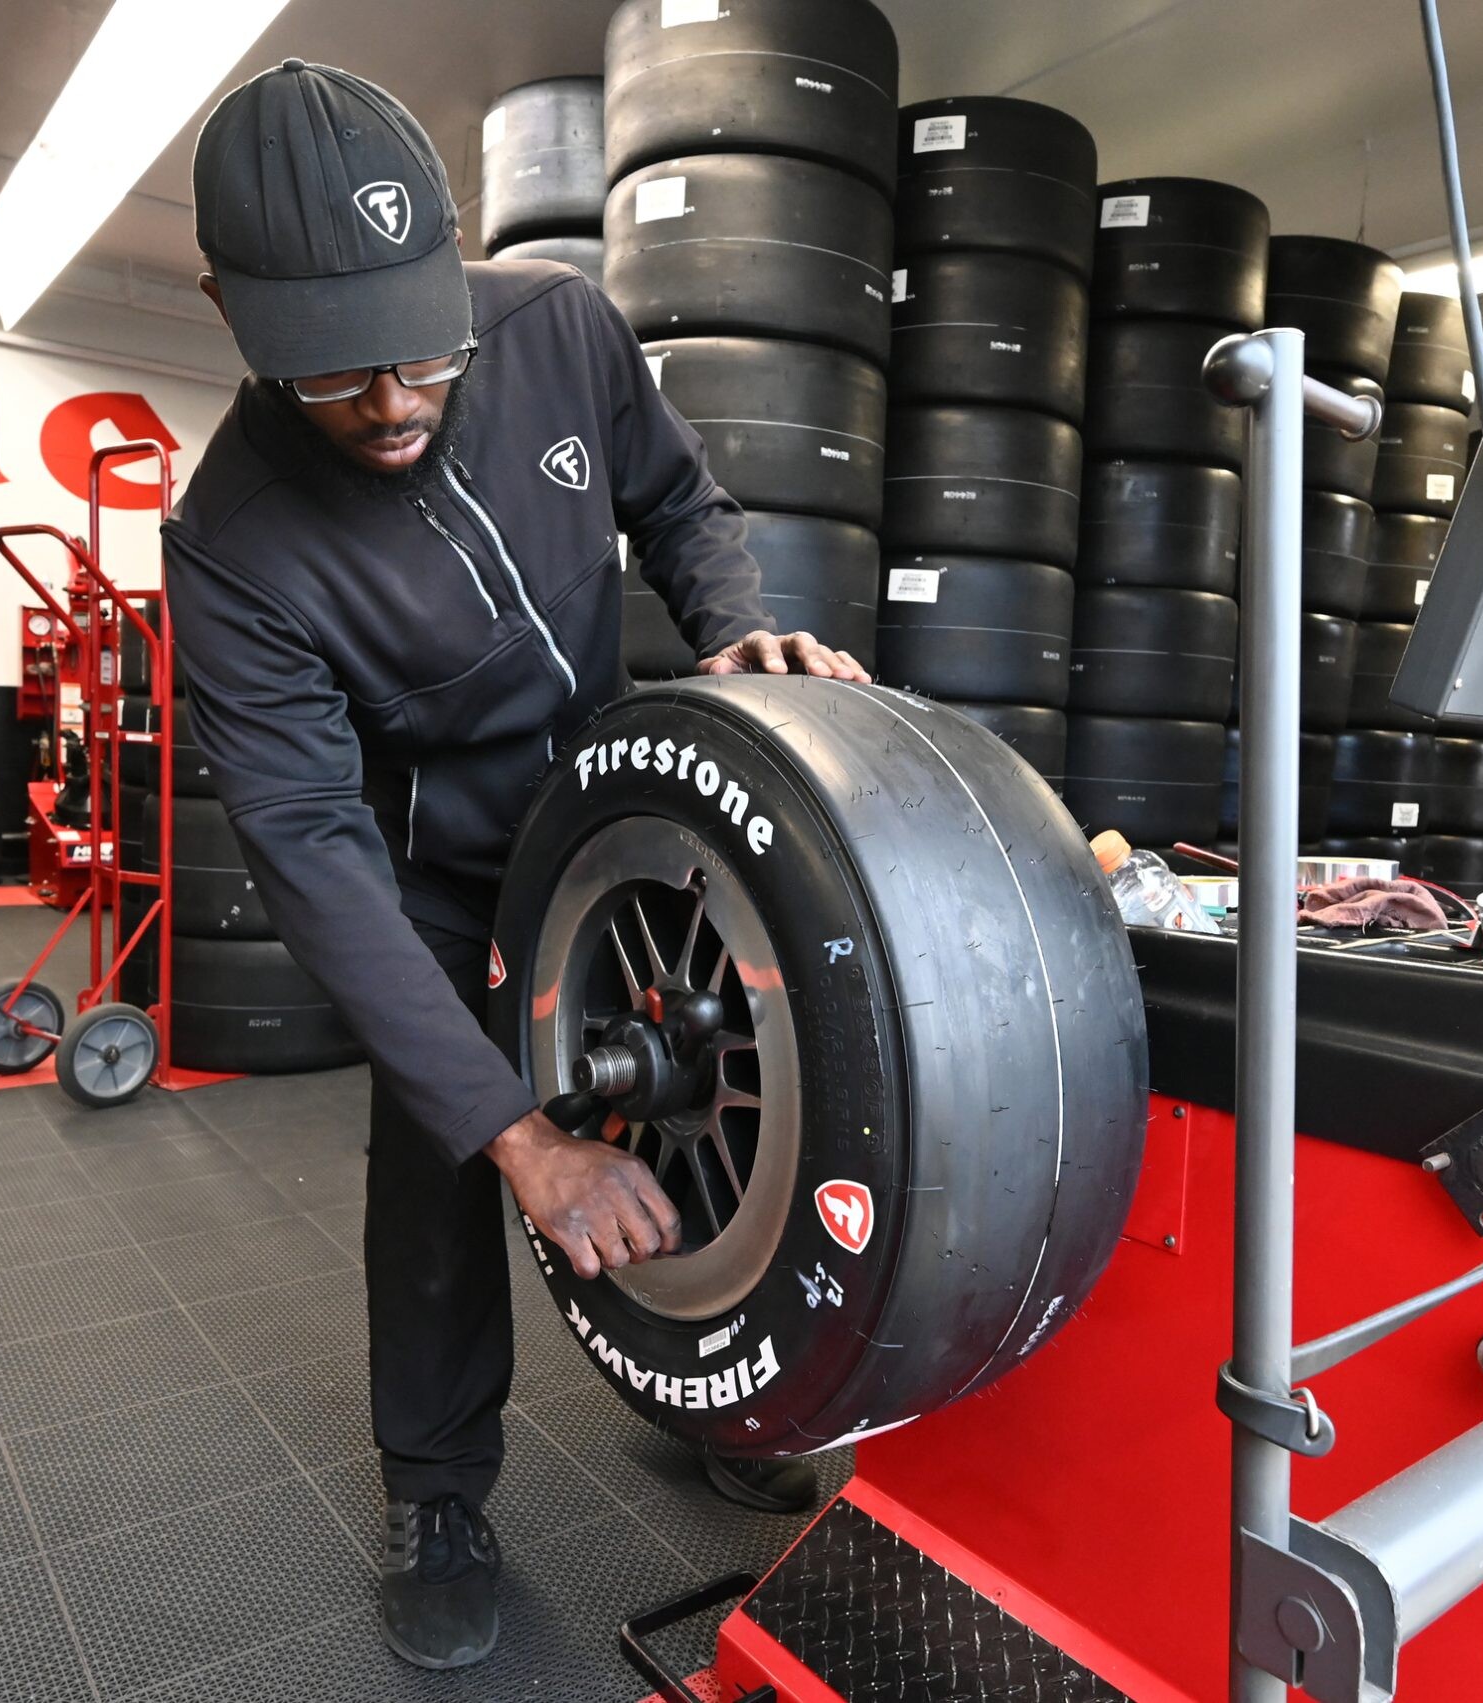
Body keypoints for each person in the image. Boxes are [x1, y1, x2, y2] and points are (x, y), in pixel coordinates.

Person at [163, 60, 870, 1671]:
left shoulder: (557, 328)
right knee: (441, 1173)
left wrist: (732, 622)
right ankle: (437, 1492)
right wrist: (520, 1141)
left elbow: (681, 504)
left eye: (421, 352)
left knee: (724, 1110)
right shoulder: (235, 544)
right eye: (342, 379)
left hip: (627, 827)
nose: (397, 405)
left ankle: (734, 1395)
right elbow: (313, 854)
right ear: (231, 309)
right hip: (437, 882)